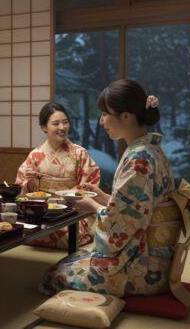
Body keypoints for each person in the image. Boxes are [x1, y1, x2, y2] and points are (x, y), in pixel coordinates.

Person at [40, 79, 176, 297]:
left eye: (105, 113)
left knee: (52, 275)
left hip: (141, 267)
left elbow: (119, 228)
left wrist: (91, 205)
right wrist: (102, 196)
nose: (102, 120)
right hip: (156, 258)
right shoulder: (151, 150)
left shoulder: (138, 160)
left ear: (126, 116)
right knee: (72, 259)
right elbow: (135, 208)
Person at [15, 102, 100, 249]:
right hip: (40, 214)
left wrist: (69, 196)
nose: (62, 127)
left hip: (70, 214)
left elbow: (90, 185)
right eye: (56, 123)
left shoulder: (79, 153)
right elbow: (20, 191)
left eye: (65, 122)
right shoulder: (35, 155)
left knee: (66, 235)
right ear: (43, 127)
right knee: (19, 230)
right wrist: (29, 182)